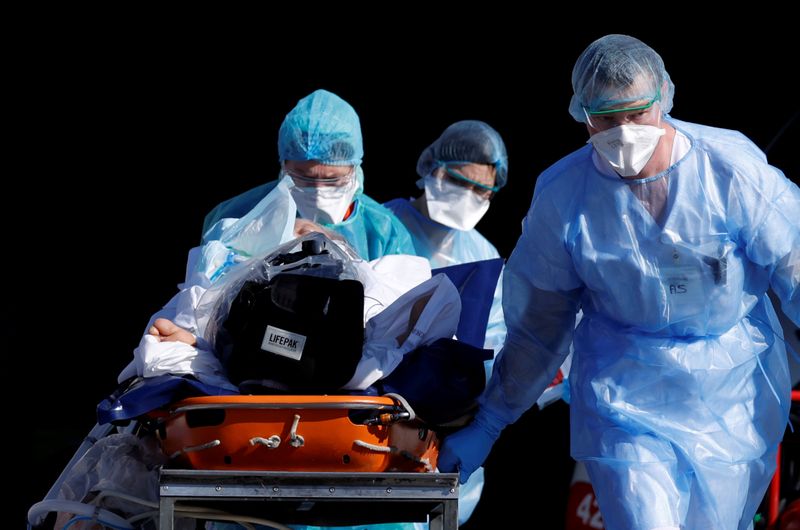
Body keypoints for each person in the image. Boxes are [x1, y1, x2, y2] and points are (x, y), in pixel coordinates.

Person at [438, 34, 799, 530]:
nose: (623, 132)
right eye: (606, 118)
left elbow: (796, 267)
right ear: (581, 113)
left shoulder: (729, 171)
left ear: (664, 99)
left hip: (730, 396)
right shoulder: (565, 197)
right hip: (624, 391)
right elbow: (539, 326)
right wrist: (489, 421)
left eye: (636, 114)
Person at [384, 120, 508, 526]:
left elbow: (498, 339)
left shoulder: (484, 253)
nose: (469, 197)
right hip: (377, 407)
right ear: (431, 169)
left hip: (444, 420)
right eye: (459, 182)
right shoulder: (384, 228)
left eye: (482, 191)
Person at [202, 88, 415, 261]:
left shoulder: (384, 231)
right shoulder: (237, 215)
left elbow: (405, 305)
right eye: (304, 178)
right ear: (284, 165)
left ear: (354, 169)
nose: (318, 191)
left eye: (333, 179)